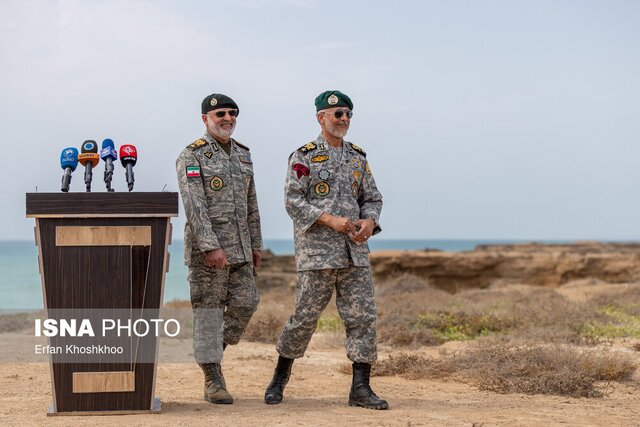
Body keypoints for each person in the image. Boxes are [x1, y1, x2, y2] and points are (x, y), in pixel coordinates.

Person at [264, 90, 388, 410]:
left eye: (348, 114)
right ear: (321, 117)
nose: (344, 119)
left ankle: (360, 388)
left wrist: (370, 222)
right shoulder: (303, 156)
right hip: (317, 254)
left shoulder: (358, 157)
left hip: (354, 253)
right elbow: (293, 201)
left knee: (362, 318)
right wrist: (329, 219)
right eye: (338, 114)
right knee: (304, 319)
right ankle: (279, 378)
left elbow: (372, 198)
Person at [176, 93, 262, 404]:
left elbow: (251, 205)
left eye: (232, 113)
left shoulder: (243, 154)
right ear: (205, 119)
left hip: (241, 248)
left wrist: (256, 245)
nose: (227, 118)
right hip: (208, 253)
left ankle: (208, 349)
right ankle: (212, 377)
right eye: (220, 114)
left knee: (247, 302)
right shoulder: (192, 155)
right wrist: (210, 246)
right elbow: (194, 206)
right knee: (209, 314)